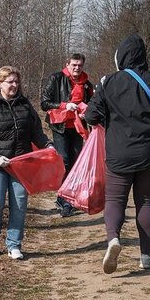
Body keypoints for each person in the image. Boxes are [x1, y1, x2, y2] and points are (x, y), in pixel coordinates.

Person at [84, 34, 150, 273]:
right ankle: (146, 255)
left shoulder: (108, 81)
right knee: (146, 201)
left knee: (115, 200)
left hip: (118, 153)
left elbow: (91, 116)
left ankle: (113, 239)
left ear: (120, 57)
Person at [0, 66, 53, 260]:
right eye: (10, 81)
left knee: (19, 204)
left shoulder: (25, 105)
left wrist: (47, 145)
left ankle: (14, 244)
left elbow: (36, 131)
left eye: (16, 82)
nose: (14, 85)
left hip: (20, 163)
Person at [41, 52, 95, 217]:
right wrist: (65, 105)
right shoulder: (56, 79)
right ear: (67, 64)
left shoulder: (87, 84)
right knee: (63, 161)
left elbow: (92, 104)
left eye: (80, 65)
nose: (77, 68)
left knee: (76, 162)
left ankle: (69, 198)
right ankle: (63, 199)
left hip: (78, 127)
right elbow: (44, 102)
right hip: (60, 126)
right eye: (74, 65)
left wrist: (88, 113)